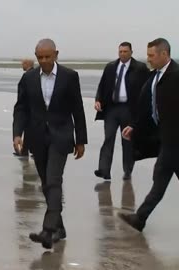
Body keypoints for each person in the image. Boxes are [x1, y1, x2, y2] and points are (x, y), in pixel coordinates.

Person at [12, 38, 87, 249]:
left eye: (47, 56)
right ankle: (59, 228)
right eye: (40, 57)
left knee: (54, 180)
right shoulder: (28, 78)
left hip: (61, 135)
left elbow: (78, 109)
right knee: (46, 183)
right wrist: (17, 133)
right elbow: (21, 108)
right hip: (37, 137)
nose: (44, 61)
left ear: (56, 54)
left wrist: (81, 140)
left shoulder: (69, 77)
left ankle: (48, 230)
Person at [119, 38, 179, 232]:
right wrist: (134, 126)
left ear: (164, 54)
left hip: (174, 141)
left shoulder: (176, 76)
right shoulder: (155, 77)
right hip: (165, 139)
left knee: (160, 176)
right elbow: (147, 107)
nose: (148, 59)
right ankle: (140, 218)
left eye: (152, 55)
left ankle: (140, 218)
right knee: (160, 180)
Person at [94, 42, 149, 181]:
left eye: (125, 51)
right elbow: (102, 85)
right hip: (112, 108)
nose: (122, 54)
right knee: (108, 138)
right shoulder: (111, 67)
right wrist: (98, 100)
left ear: (131, 52)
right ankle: (104, 170)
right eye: (120, 51)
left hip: (129, 109)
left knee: (128, 141)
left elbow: (147, 89)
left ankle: (128, 170)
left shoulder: (140, 68)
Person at [14, 59, 35, 159]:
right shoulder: (32, 74)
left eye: (23, 63)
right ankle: (25, 150)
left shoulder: (28, 76)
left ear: (27, 64)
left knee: (29, 130)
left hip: (28, 109)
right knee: (29, 131)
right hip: (29, 109)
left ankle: (27, 151)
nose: (21, 65)